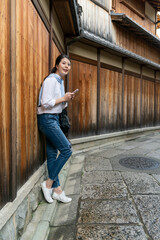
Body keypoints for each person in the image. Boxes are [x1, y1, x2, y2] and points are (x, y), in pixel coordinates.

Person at [37, 54, 75, 204]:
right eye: (64, 63)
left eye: (69, 64)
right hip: (47, 119)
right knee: (67, 149)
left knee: (52, 155)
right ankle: (48, 185)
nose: (67, 66)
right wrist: (63, 99)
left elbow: (57, 104)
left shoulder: (60, 82)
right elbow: (45, 103)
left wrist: (66, 100)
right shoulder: (51, 80)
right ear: (57, 65)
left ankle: (57, 191)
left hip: (54, 118)